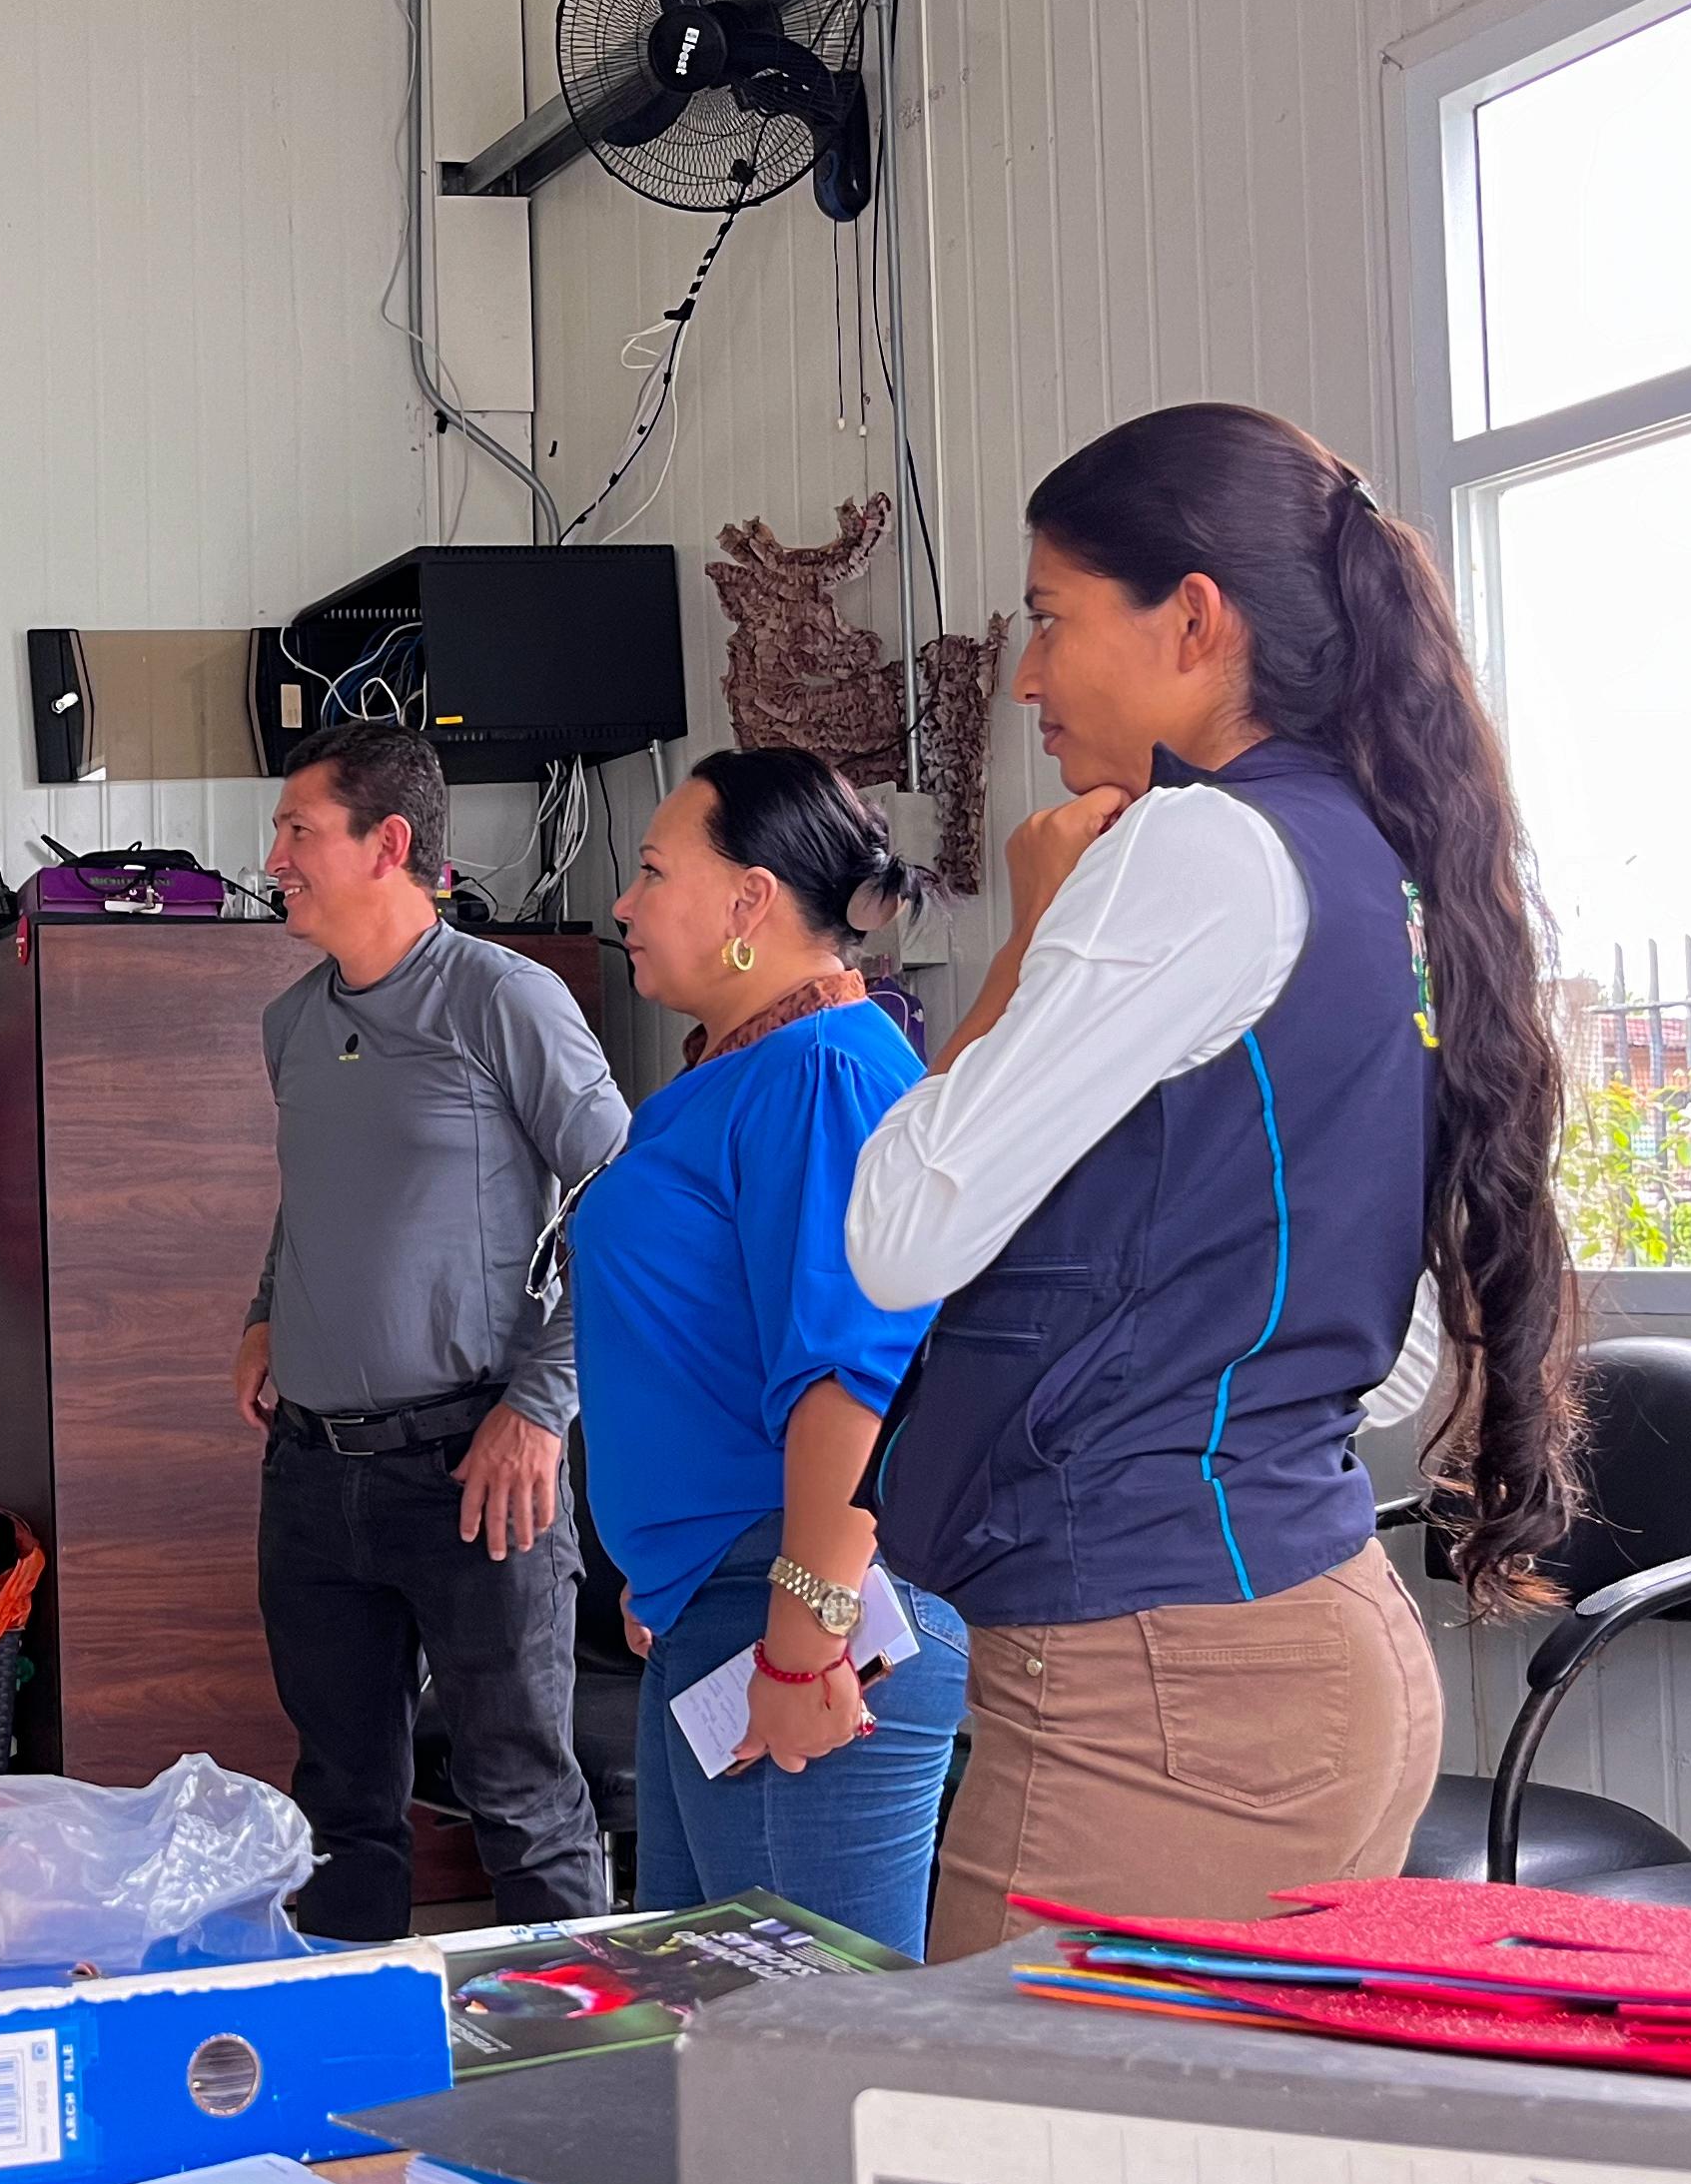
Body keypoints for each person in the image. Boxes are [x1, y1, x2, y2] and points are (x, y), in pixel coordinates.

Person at [846, 402, 1580, 1960]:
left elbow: (898, 1229)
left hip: (1161, 1688)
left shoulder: (1196, 851)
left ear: (1193, 618)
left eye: (1052, 618)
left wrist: (1032, 938)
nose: (1028, 677)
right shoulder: (1375, 859)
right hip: (1300, 1633)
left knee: (978, 2126)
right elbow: (1392, 1365)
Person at [238, 724, 630, 1942]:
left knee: (522, 1799)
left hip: (476, 1470)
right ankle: (356, 2041)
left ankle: (572, 2052)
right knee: (339, 1807)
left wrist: (542, 1405)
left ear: (388, 843)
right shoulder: (291, 1022)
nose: (275, 857)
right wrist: (265, 1309)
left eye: (299, 831)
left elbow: (621, 1202)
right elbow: (316, 1193)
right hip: (313, 1477)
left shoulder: (503, 996)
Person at [574, 748, 967, 1954]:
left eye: (652, 872)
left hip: (806, 1616)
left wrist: (802, 1644)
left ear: (750, 901)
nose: (625, 903)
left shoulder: (825, 1074)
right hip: (723, 1605)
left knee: (814, 2038)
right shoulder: (745, 1072)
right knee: (706, 2027)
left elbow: (861, 1374)